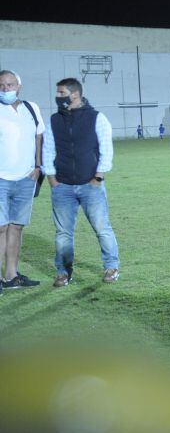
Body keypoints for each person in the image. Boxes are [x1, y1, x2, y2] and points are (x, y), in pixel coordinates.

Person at [42, 78, 121, 286]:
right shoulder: (53, 120)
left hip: (90, 185)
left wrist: (98, 177)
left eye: (61, 93)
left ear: (74, 94)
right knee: (63, 234)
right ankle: (63, 272)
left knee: (102, 228)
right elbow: (48, 150)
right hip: (62, 186)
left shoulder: (97, 117)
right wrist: (52, 179)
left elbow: (106, 149)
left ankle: (111, 268)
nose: (57, 97)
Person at [0, 70, 45, 291]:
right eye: (2, 85)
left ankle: (10, 276)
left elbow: (38, 137)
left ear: (19, 86)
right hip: (1, 179)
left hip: (26, 179)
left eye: (10, 85)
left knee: (16, 228)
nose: (6, 89)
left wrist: (37, 166)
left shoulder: (31, 108)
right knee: (1, 228)